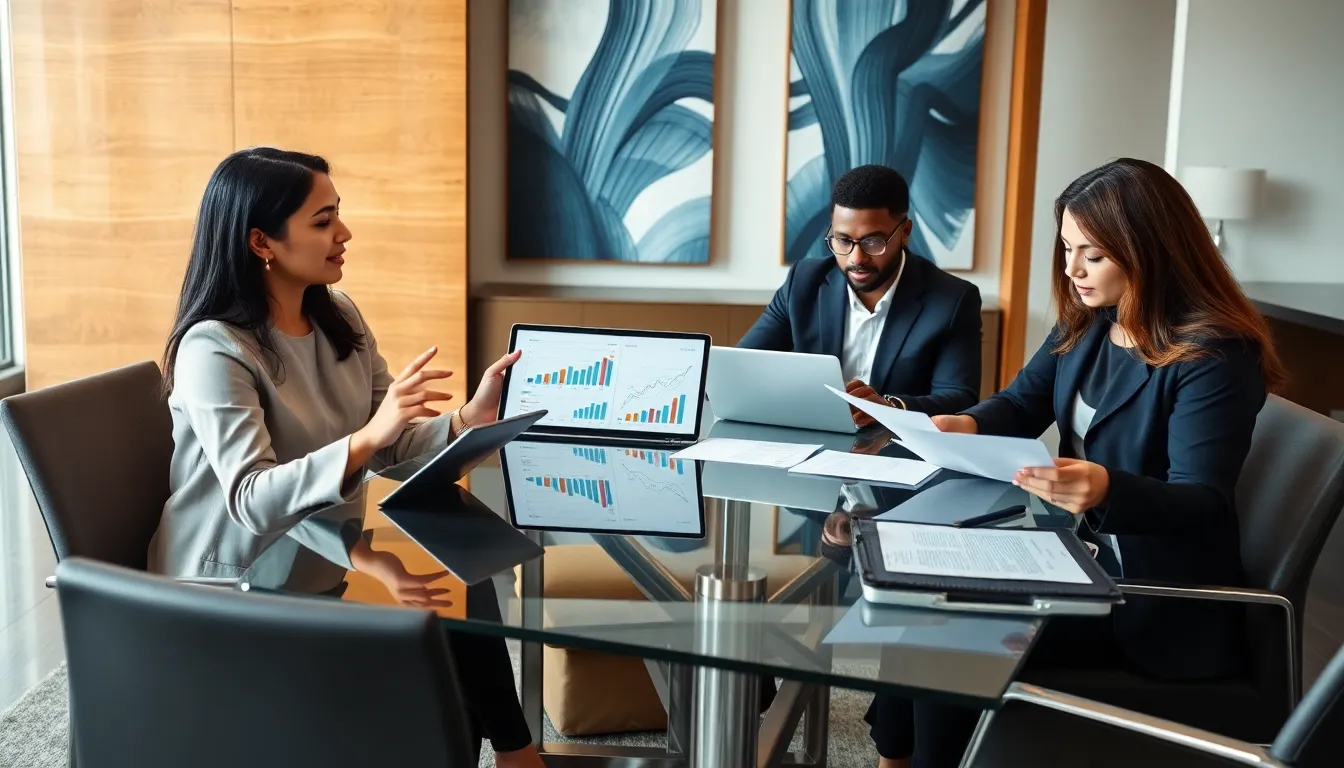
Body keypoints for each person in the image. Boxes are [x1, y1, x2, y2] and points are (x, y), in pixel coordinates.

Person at [866, 157, 1287, 768]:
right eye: (1066, 249)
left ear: (1148, 248)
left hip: (1154, 601)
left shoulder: (1214, 355)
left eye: (1092, 253)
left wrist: (1107, 488)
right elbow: (1020, 401)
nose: (1072, 270)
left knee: (947, 632)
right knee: (918, 594)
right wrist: (967, 423)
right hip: (1076, 560)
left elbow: (1203, 503)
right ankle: (894, 759)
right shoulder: (1090, 323)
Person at [148, 147, 544, 768]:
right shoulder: (215, 349)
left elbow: (393, 451)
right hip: (228, 588)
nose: (344, 233)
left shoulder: (340, 319)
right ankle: (520, 755)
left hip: (316, 560)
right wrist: (367, 437)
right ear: (262, 242)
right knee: (443, 647)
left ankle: (515, 753)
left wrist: (471, 418)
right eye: (323, 220)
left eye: (339, 215)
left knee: (456, 599)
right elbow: (253, 499)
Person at [738, 164, 982, 421]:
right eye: (843, 240)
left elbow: (959, 397)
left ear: (905, 233)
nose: (857, 258)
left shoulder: (952, 300)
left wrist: (890, 407)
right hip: (812, 441)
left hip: (898, 449)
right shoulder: (803, 282)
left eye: (873, 242)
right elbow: (742, 367)